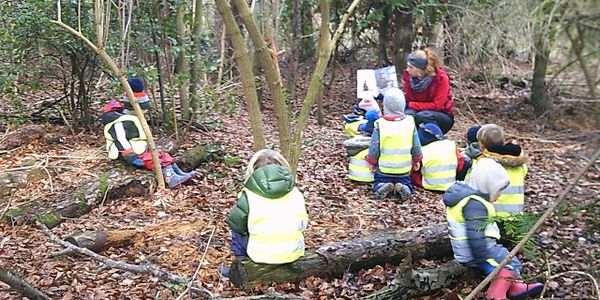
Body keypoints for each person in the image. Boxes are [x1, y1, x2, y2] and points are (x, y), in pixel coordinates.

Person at [443, 158, 542, 299]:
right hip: (477, 251)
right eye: (498, 190)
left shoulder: (469, 198)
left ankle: (516, 287)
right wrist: (483, 258)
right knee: (508, 262)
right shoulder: (475, 204)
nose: (500, 194)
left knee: (507, 257)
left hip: (473, 248)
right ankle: (495, 295)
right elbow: (476, 235)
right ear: (487, 187)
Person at [101, 77, 197, 189]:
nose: (145, 112)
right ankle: (171, 179)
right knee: (156, 160)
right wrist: (131, 156)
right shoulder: (119, 121)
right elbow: (121, 140)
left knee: (164, 156)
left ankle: (179, 174)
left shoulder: (133, 118)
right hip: (130, 154)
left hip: (140, 150)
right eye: (143, 110)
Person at [226, 149, 309, 264]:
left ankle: (241, 262)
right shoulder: (296, 193)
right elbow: (303, 224)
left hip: (260, 256)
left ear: (252, 171)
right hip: (294, 254)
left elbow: (237, 225)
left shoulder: (248, 195)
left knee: (237, 230)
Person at [365, 88, 422, 201]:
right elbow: (416, 145)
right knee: (405, 181)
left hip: (384, 167)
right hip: (404, 168)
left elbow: (374, 146)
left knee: (379, 180)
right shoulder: (410, 122)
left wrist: (372, 161)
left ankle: (381, 186)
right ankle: (404, 188)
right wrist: (417, 159)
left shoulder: (380, 123)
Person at [467, 124, 528, 219]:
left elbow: (471, 185)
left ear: (481, 145)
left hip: (492, 214)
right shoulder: (520, 164)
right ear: (503, 141)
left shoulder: (483, 163)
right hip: (515, 215)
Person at [403, 48, 454, 134]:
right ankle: (411, 142)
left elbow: (437, 105)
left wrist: (411, 104)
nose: (407, 69)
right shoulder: (408, 77)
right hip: (416, 111)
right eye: (407, 66)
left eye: (411, 67)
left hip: (440, 115)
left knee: (423, 116)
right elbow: (407, 99)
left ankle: (436, 139)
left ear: (420, 69)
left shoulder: (441, 78)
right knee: (408, 116)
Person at [410, 123, 464, 192]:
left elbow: (414, 168)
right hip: (450, 185)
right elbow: (460, 164)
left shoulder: (422, 150)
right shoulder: (450, 145)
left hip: (428, 185)